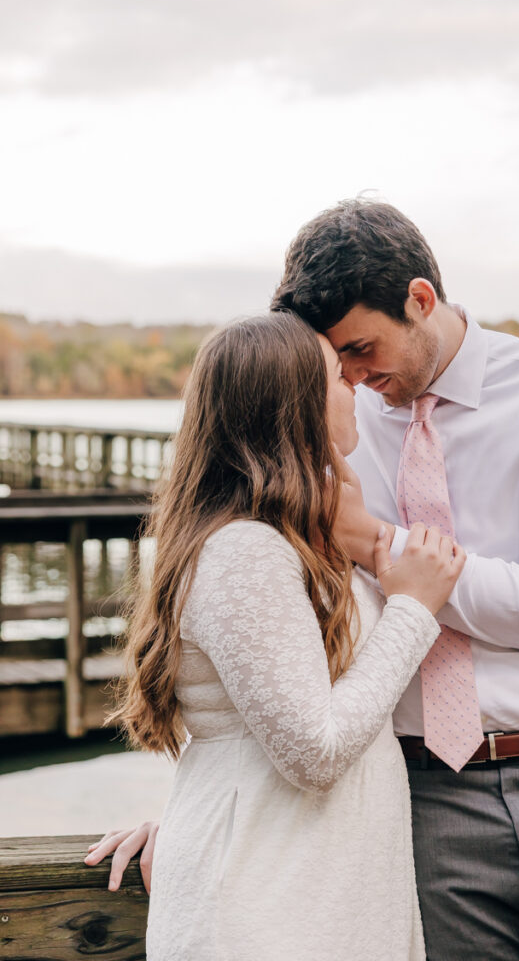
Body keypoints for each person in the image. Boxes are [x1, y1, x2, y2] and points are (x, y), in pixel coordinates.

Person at [91, 200, 519, 959]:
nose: (358, 379)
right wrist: (212, 814)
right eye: (335, 365)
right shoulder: (325, 441)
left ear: (420, 300)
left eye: (363, 350)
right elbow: (271, 649)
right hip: (418, 797)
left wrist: (378, 545)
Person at [95, 310, 466, 961]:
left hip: (312, 891)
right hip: (268, 910)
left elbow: (275, 714)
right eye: (335, 376)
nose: (354, 383)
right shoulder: (244, 552)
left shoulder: (284, 542)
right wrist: (411, 608)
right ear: (292, 405)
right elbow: (312, 751)